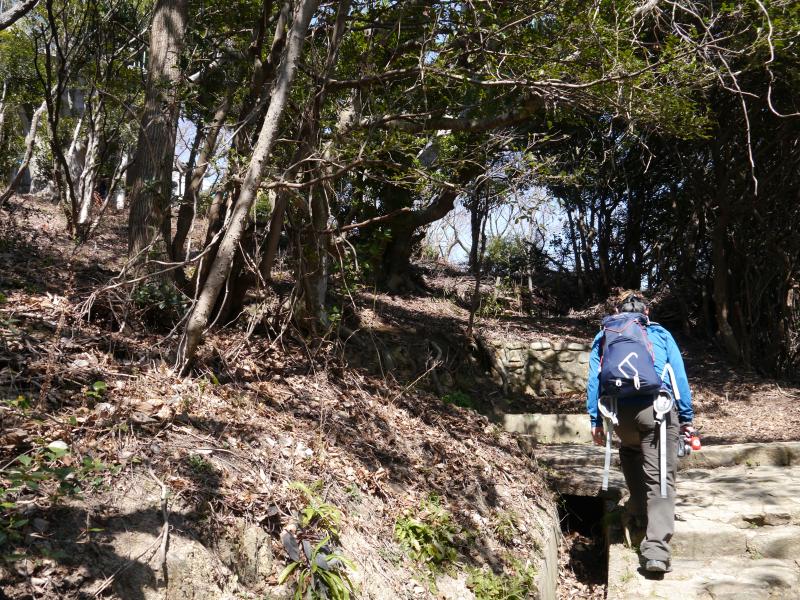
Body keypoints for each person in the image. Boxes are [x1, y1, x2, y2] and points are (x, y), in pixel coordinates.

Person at [585, 293, 695, 573]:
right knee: (660, 476)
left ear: (617, 310)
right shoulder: (658, 332)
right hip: (656, 411)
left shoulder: (605, 335)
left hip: (619, 414)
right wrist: (686, 417)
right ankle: (656, 550)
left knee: (631, 451)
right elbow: (677, 376)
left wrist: (595, 420)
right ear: (647, 312)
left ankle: (637, 513)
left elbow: (594, 380)